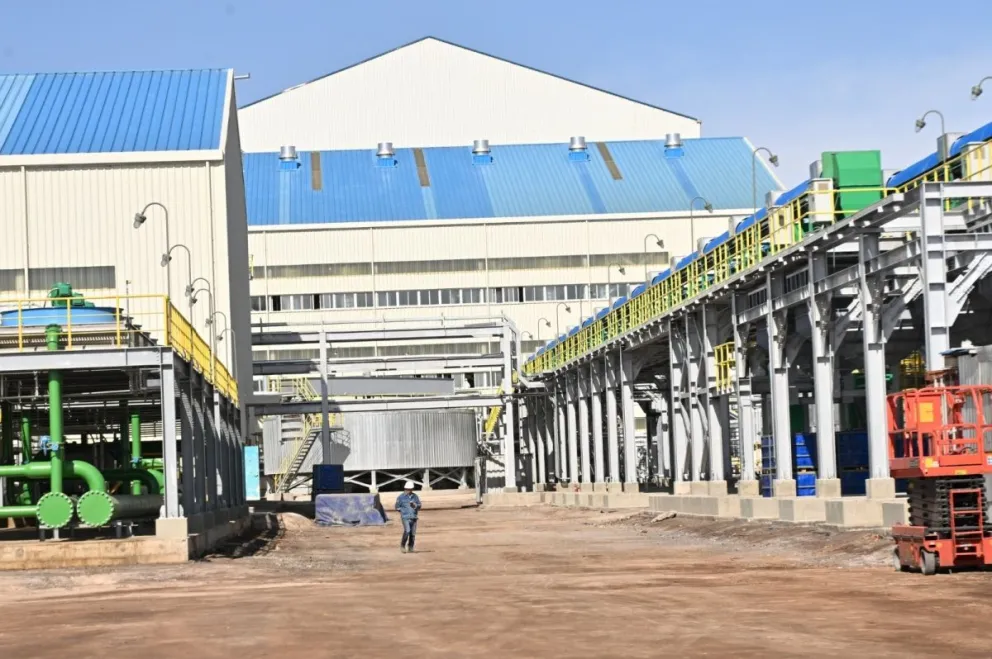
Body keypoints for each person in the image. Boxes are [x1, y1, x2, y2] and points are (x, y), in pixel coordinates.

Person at [394, 481, 422, 553]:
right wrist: (403, 511)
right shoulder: (400, 497)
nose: (408, 491)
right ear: (405, 488)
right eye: (407, 489)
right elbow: (397, 507)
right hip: (405, 517)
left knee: (413, 534)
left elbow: (419, 506)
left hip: (414, 517)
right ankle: (402, 546)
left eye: (410, 489)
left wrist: (415, 505)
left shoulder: (415, 496)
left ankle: (410, 547)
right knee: (407, 531)